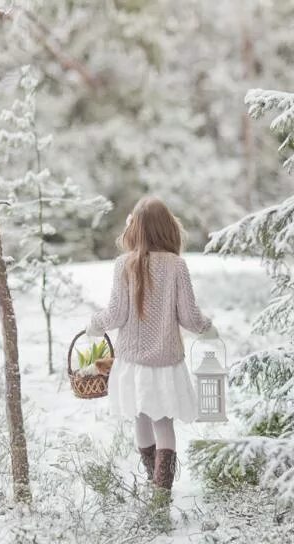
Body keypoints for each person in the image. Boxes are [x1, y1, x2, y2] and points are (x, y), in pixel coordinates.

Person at [85, 196, 219, 509]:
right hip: (165, 363)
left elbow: (115, 315)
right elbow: (188, 316)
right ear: (167, 229)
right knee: (163, 424)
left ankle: (153, 485)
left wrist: (93, 324)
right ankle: (161, 496)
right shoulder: (177, 266)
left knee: (141, 420)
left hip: (132, 363)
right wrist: (207, 328)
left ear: (137, 230)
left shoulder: (123, 264)